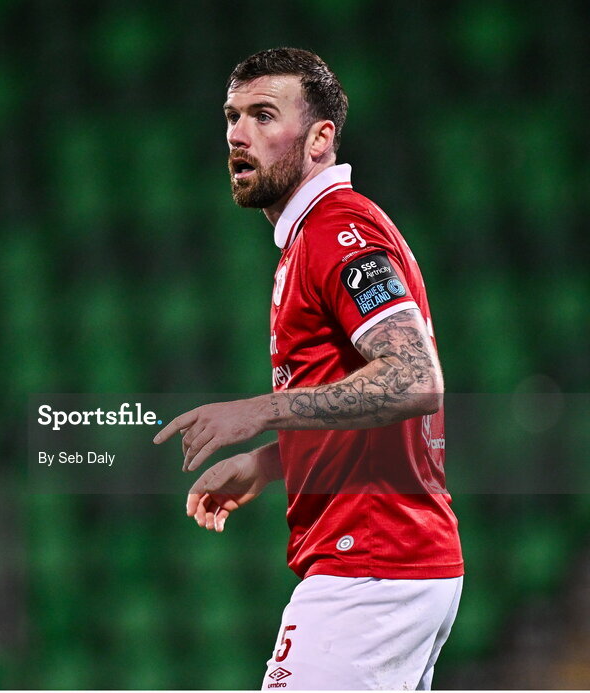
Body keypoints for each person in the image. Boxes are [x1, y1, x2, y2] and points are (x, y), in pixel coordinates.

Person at [153, 48, 463, 690]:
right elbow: (362, 398)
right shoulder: (313, 237)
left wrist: (259, 412)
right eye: (232, 117)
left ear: (321, 138)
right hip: (397, 564)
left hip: (370, 568)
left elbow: (414, 379)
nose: (239, 134)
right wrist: (274, 461)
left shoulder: (337, 231)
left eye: (264, 115)